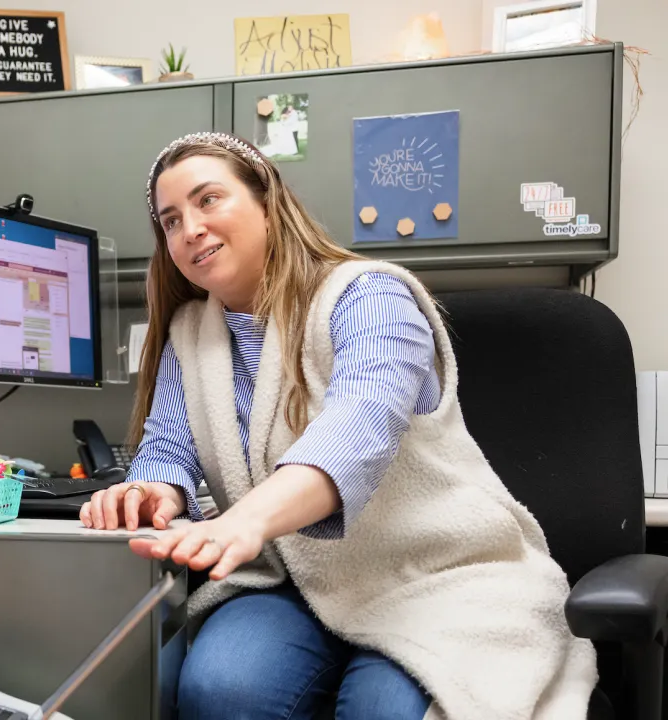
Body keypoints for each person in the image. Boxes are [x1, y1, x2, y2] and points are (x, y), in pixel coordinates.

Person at [80, 131, 596, 719]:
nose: (189, 228)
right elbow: (170, 444)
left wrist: (245, 521)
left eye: (208, 200)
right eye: (169, 220)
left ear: (269, 204)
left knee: (384, 709)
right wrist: (150, 490)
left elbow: (359, 427)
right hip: (285, 581)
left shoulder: (369, 296)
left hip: (431, 570)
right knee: (221, 690)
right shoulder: (189, 336)